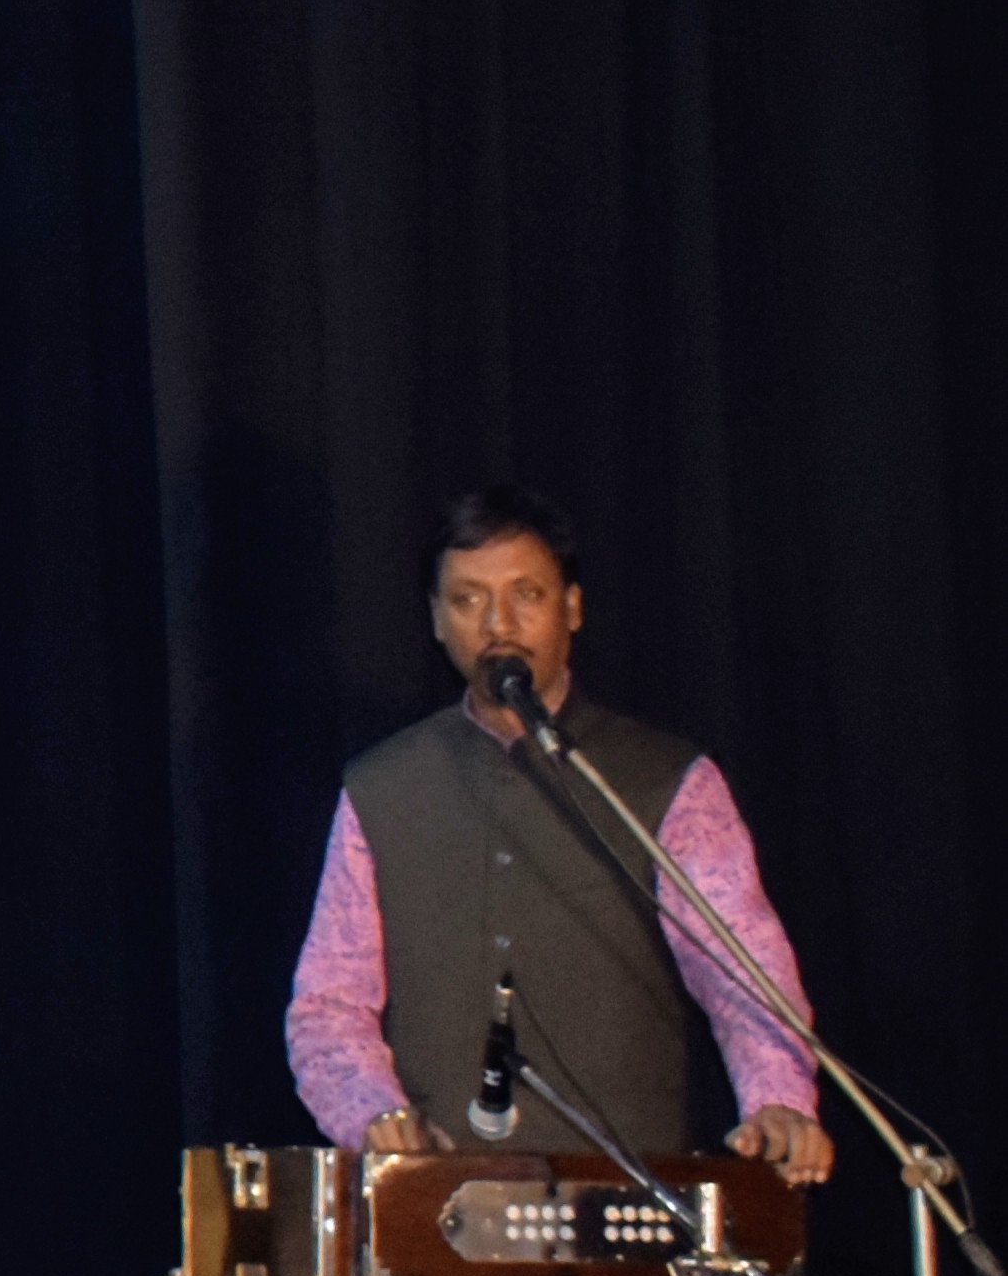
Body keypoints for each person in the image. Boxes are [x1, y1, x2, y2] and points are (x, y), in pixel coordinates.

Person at [286, 483, 829, 1180]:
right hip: (434, 1205)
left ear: (572, 607)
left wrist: (779, 1100)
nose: (498, 623)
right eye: (468, 599)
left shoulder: (665, 781)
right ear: (436, 620)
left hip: (625, 1197)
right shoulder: (381, 787)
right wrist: (374, 1114)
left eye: (527, 595)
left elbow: (743, 973)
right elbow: (328, 1007)